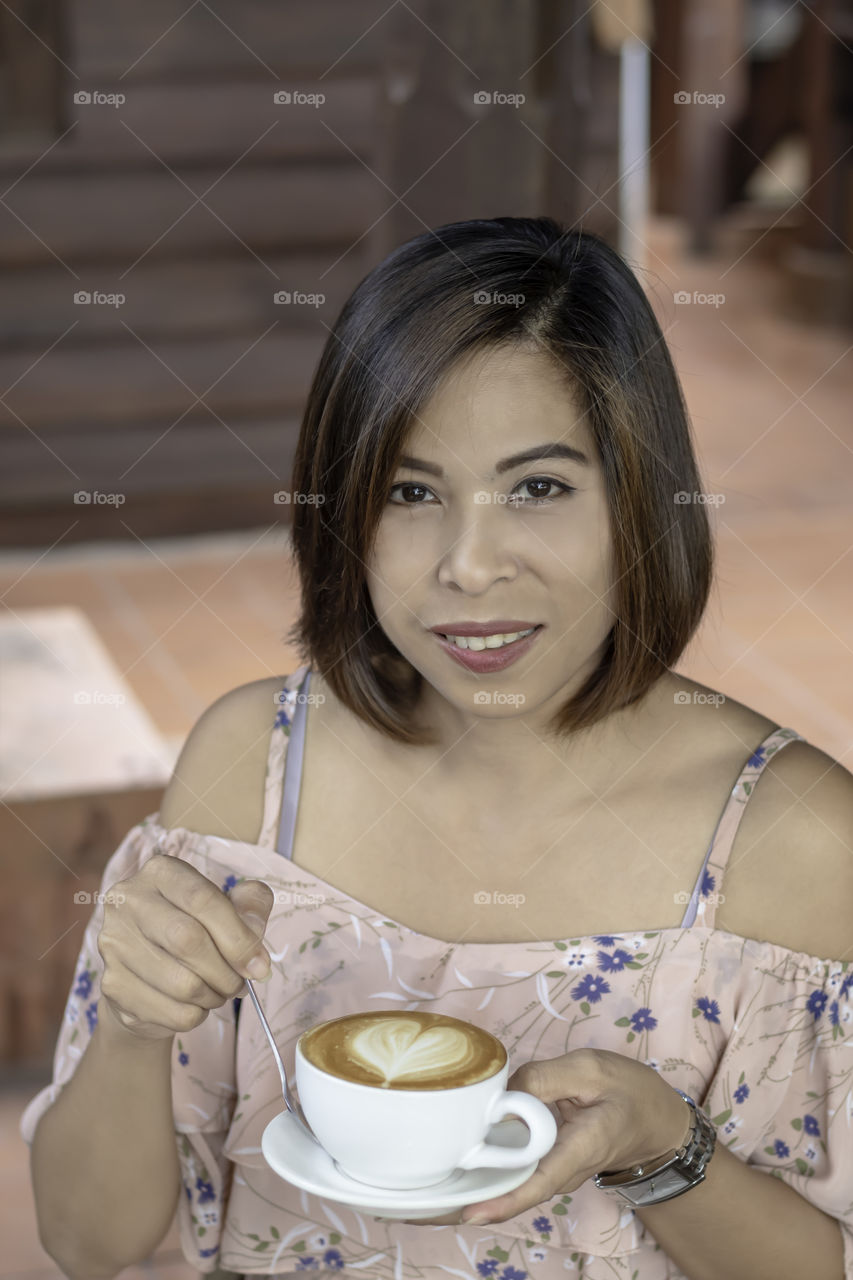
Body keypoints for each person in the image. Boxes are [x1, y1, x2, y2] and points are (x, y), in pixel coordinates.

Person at [21, 217, 852, 1280]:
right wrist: (135, 1027)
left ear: (638, 499)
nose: (468, 565)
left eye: (538, 487)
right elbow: (86, 1241)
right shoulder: (249, 770)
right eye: (410, 493)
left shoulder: (797, 837)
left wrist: (663, 1146)